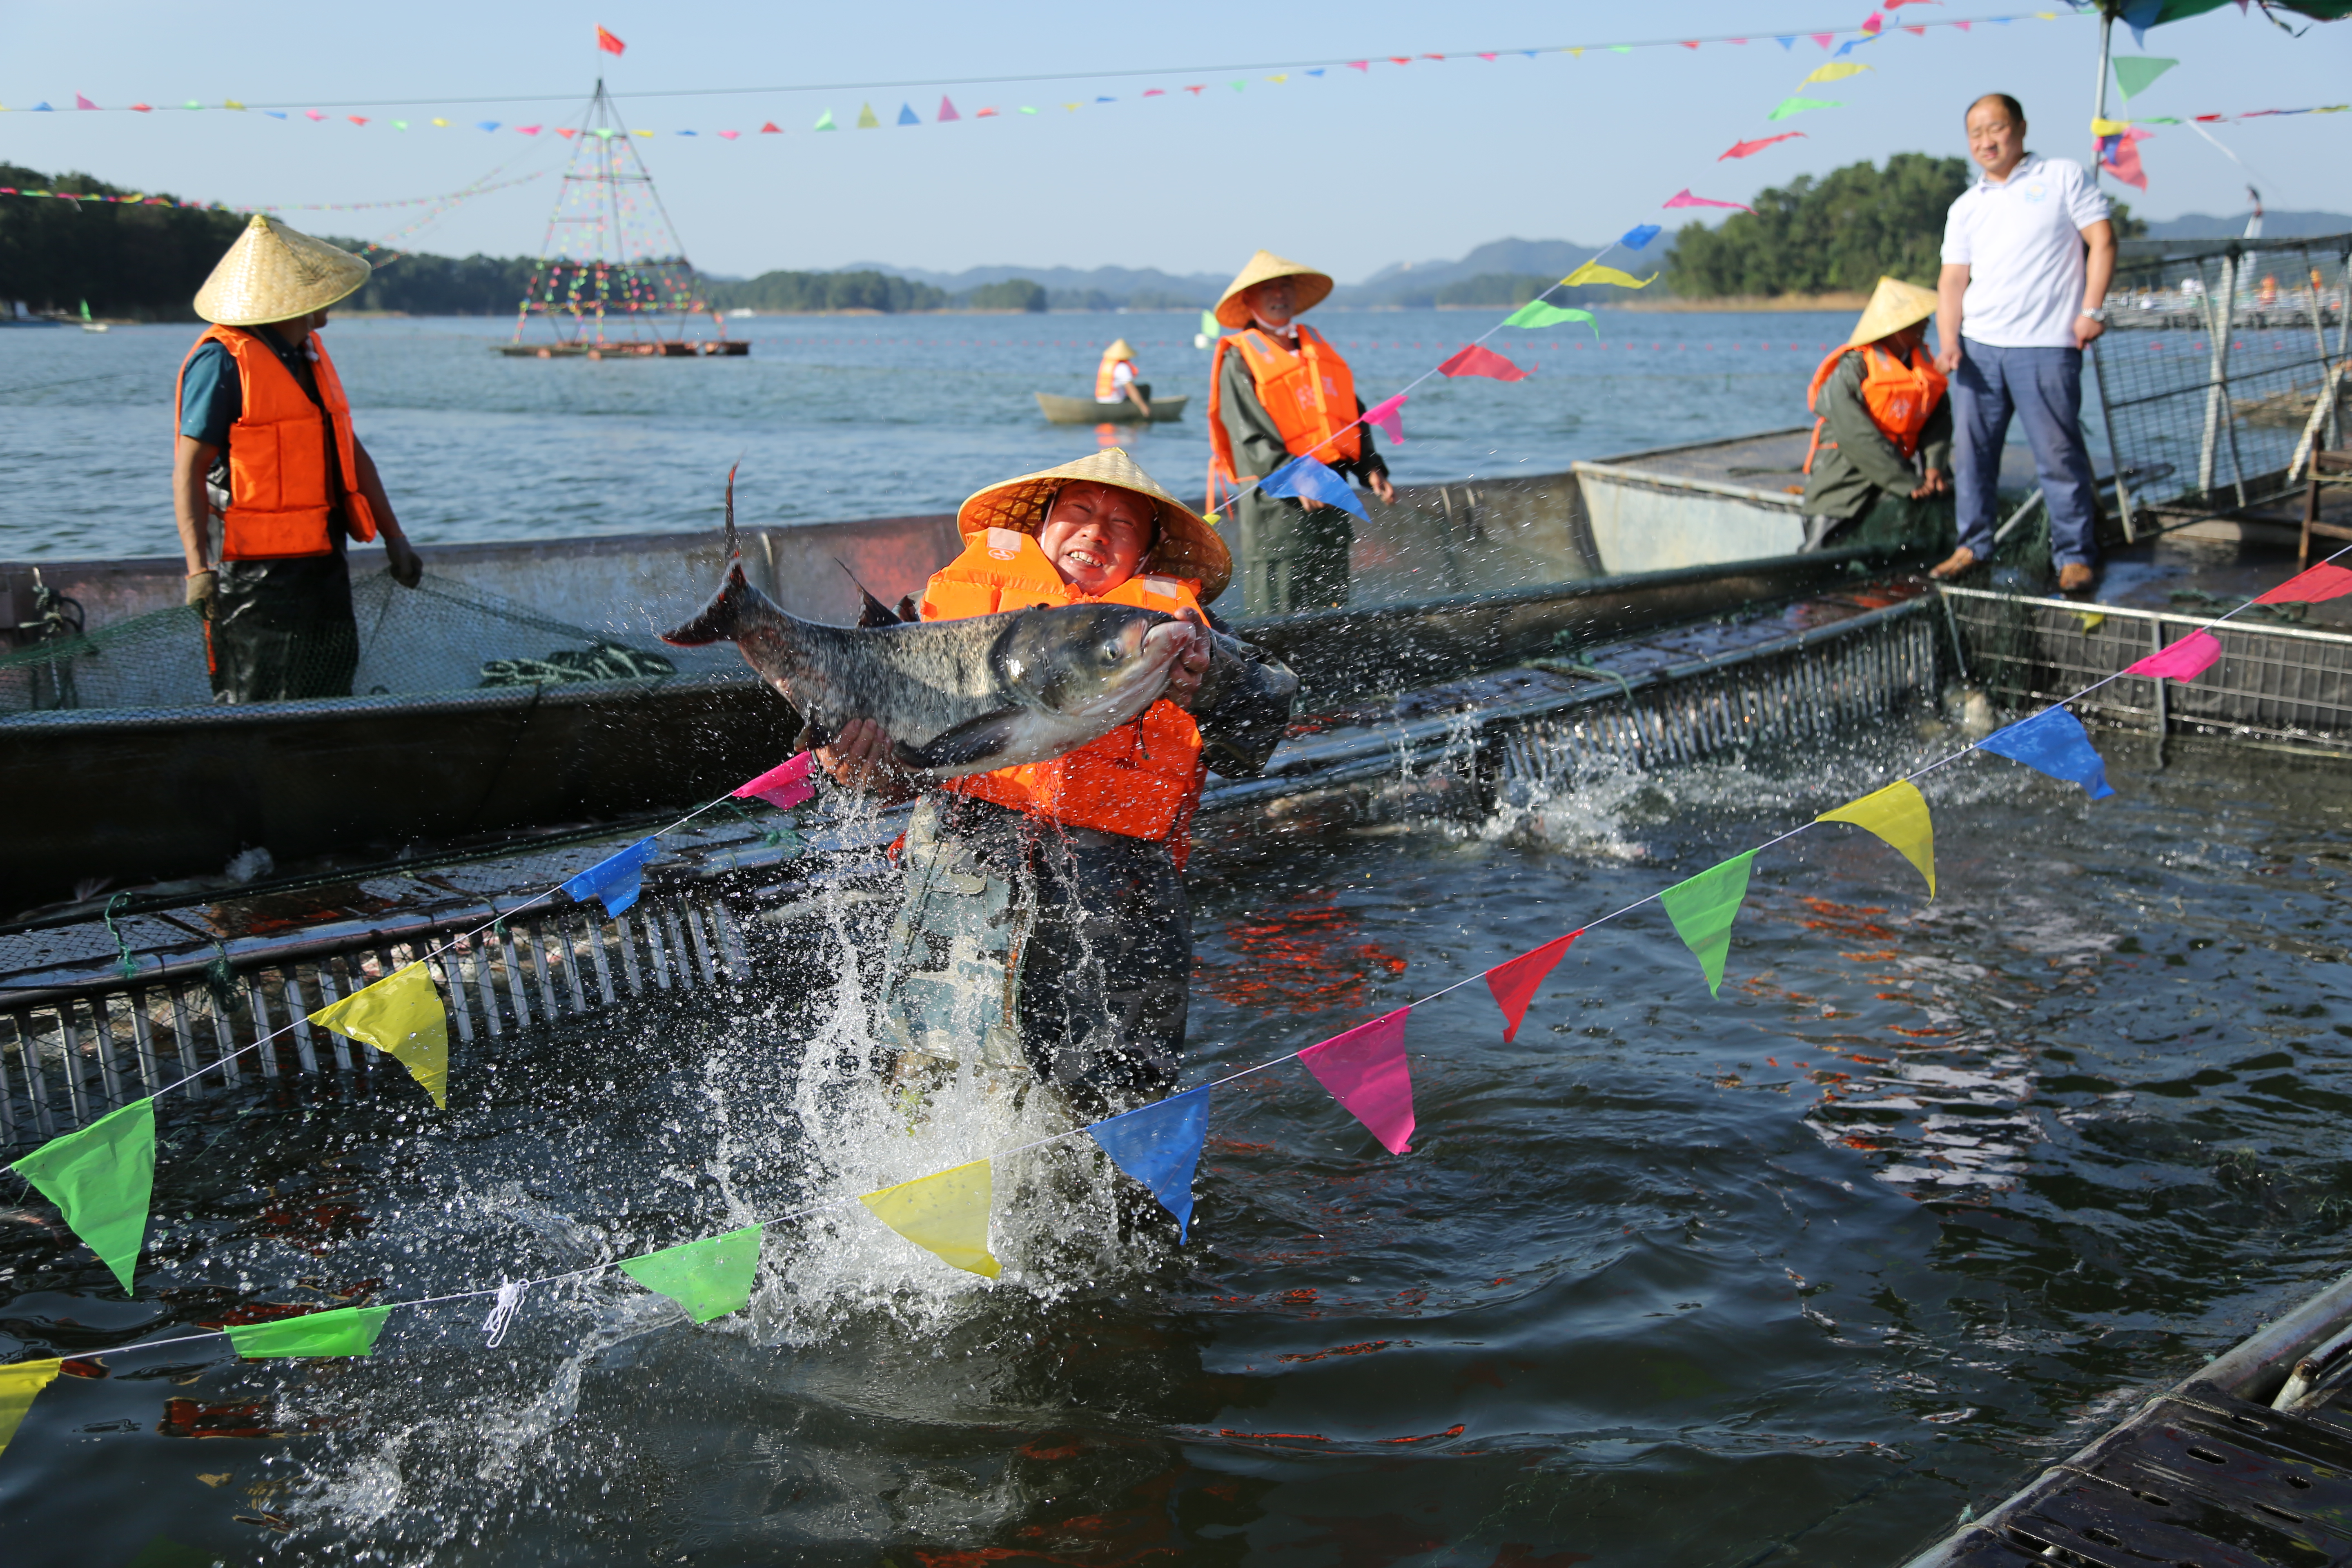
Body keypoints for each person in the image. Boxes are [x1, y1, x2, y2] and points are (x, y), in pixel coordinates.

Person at [819, 449, 1295, 1121]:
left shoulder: (1179, 639)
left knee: (1111, 1124)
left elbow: (1261, 722)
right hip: (961, 908)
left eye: (1121, 525)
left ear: (1148, 553)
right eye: (1079, 512)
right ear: (1040, 528)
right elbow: (888, 777)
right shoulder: (950, 621)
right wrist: (857, 766)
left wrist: (1210, 675)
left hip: (1117, 930)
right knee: (924, 1101)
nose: (1095, 533)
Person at [174, 215, 423, 704]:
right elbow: (189, 469)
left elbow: (350, 452)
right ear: (295, 300)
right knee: (261, 696)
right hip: (252, 576)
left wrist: (395, 537)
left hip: (323, 560)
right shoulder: (223, 359)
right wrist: (198, 571)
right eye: (318, 291)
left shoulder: (307, 352)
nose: (329, 301)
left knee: (329, 685)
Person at [1930, 93, 2116, 593]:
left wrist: (2091, 311)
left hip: (2048, 344)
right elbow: (1951, 282)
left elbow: (2102, 239)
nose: (1986, 141)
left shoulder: (2061, 177)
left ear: (2021, 127)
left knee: (2058, 455)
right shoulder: (1967, 206)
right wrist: (1949, 340)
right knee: (1971, 456)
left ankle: (2074, 554)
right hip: (1978, 348)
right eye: (1975, 134)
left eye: (1996, 128)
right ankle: (1973, 545)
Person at [1206, 250, 1396, 616]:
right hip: (1278, 512)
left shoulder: (1317, 353)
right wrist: (1299, 476)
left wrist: (1370, 467)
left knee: (1334, 616)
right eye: (1269, 289)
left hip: (1332, 505)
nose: (1280, 296)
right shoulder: (1240, 357)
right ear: (1248, 300)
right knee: (1280, 621)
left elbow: (1350, 415)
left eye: (1286, 287)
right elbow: (1249, 435)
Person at [1798, 277, 1955, 555]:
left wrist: (1934, 467)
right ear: (1896, 327)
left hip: (1897, 475)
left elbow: (1938, 419)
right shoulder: (1854, 368)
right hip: (1843, 479)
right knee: (1820, 554)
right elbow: (1855, 434)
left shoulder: (1922, 366)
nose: (1927, 324)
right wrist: (1905, 481)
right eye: (1918, 319)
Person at [1096, 337, 1152, 420]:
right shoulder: (1122, 367)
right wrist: (1143, 407)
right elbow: (1131, 388)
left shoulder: (1107, 364)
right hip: (1116, 402)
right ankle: (1142, 410)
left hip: (1101, 400)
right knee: (1146, 388)